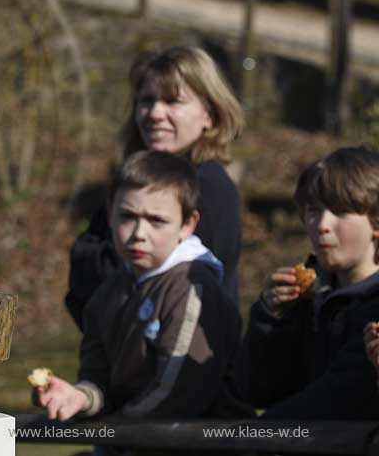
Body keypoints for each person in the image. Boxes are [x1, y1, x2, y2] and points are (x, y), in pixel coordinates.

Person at [35, 150, 245, 423]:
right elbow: (99, 380)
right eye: (127, 216)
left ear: (188, 224)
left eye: (156, 220)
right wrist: (81, 398)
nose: (138, 234)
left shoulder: (193, 288)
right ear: (109, 214)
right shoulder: (110, 290)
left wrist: (114, 430)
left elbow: (177, 396)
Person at [65, 46, 244, 329]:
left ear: (209, 114)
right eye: (147, 100)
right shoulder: (136, 181)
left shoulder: (208, 188)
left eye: (173, 102)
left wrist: (94, 259)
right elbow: (87, 289)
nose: (155, 113)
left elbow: (154, 288)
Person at [241, 146, 379, 419]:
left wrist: (253, 435)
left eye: (340, 211)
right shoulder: (308, 296)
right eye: (314, 210)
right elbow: (258, 390)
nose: (322, 224)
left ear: (375, 222)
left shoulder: (374, 307)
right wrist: (270, 318)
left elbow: (336, 398)